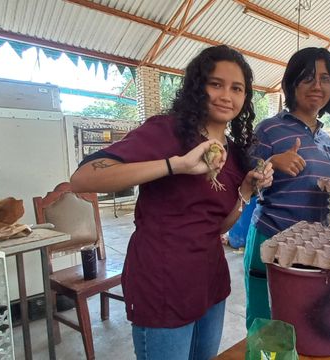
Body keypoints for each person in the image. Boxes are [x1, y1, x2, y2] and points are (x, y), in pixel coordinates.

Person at [70, 45, 274, 360]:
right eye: (215, 84)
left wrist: (245, 191)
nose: (226, 95)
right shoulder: (167, 131)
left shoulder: (233, 154)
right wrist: (175, 165)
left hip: (210, 282)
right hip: (163, 281)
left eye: (237, 88)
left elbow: (217, 226)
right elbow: (83, 179)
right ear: (197, 87)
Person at [243, 47, 330, 329]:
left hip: (311, 247)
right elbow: (244, 180)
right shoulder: (270, 129)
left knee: (303, 323)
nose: (317, 86)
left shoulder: (325, 138)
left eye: (326, 79)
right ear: (292, 83)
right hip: (270, 239)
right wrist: (271, 161)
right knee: (265, 323)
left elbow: (319, 192)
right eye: (308, 78)